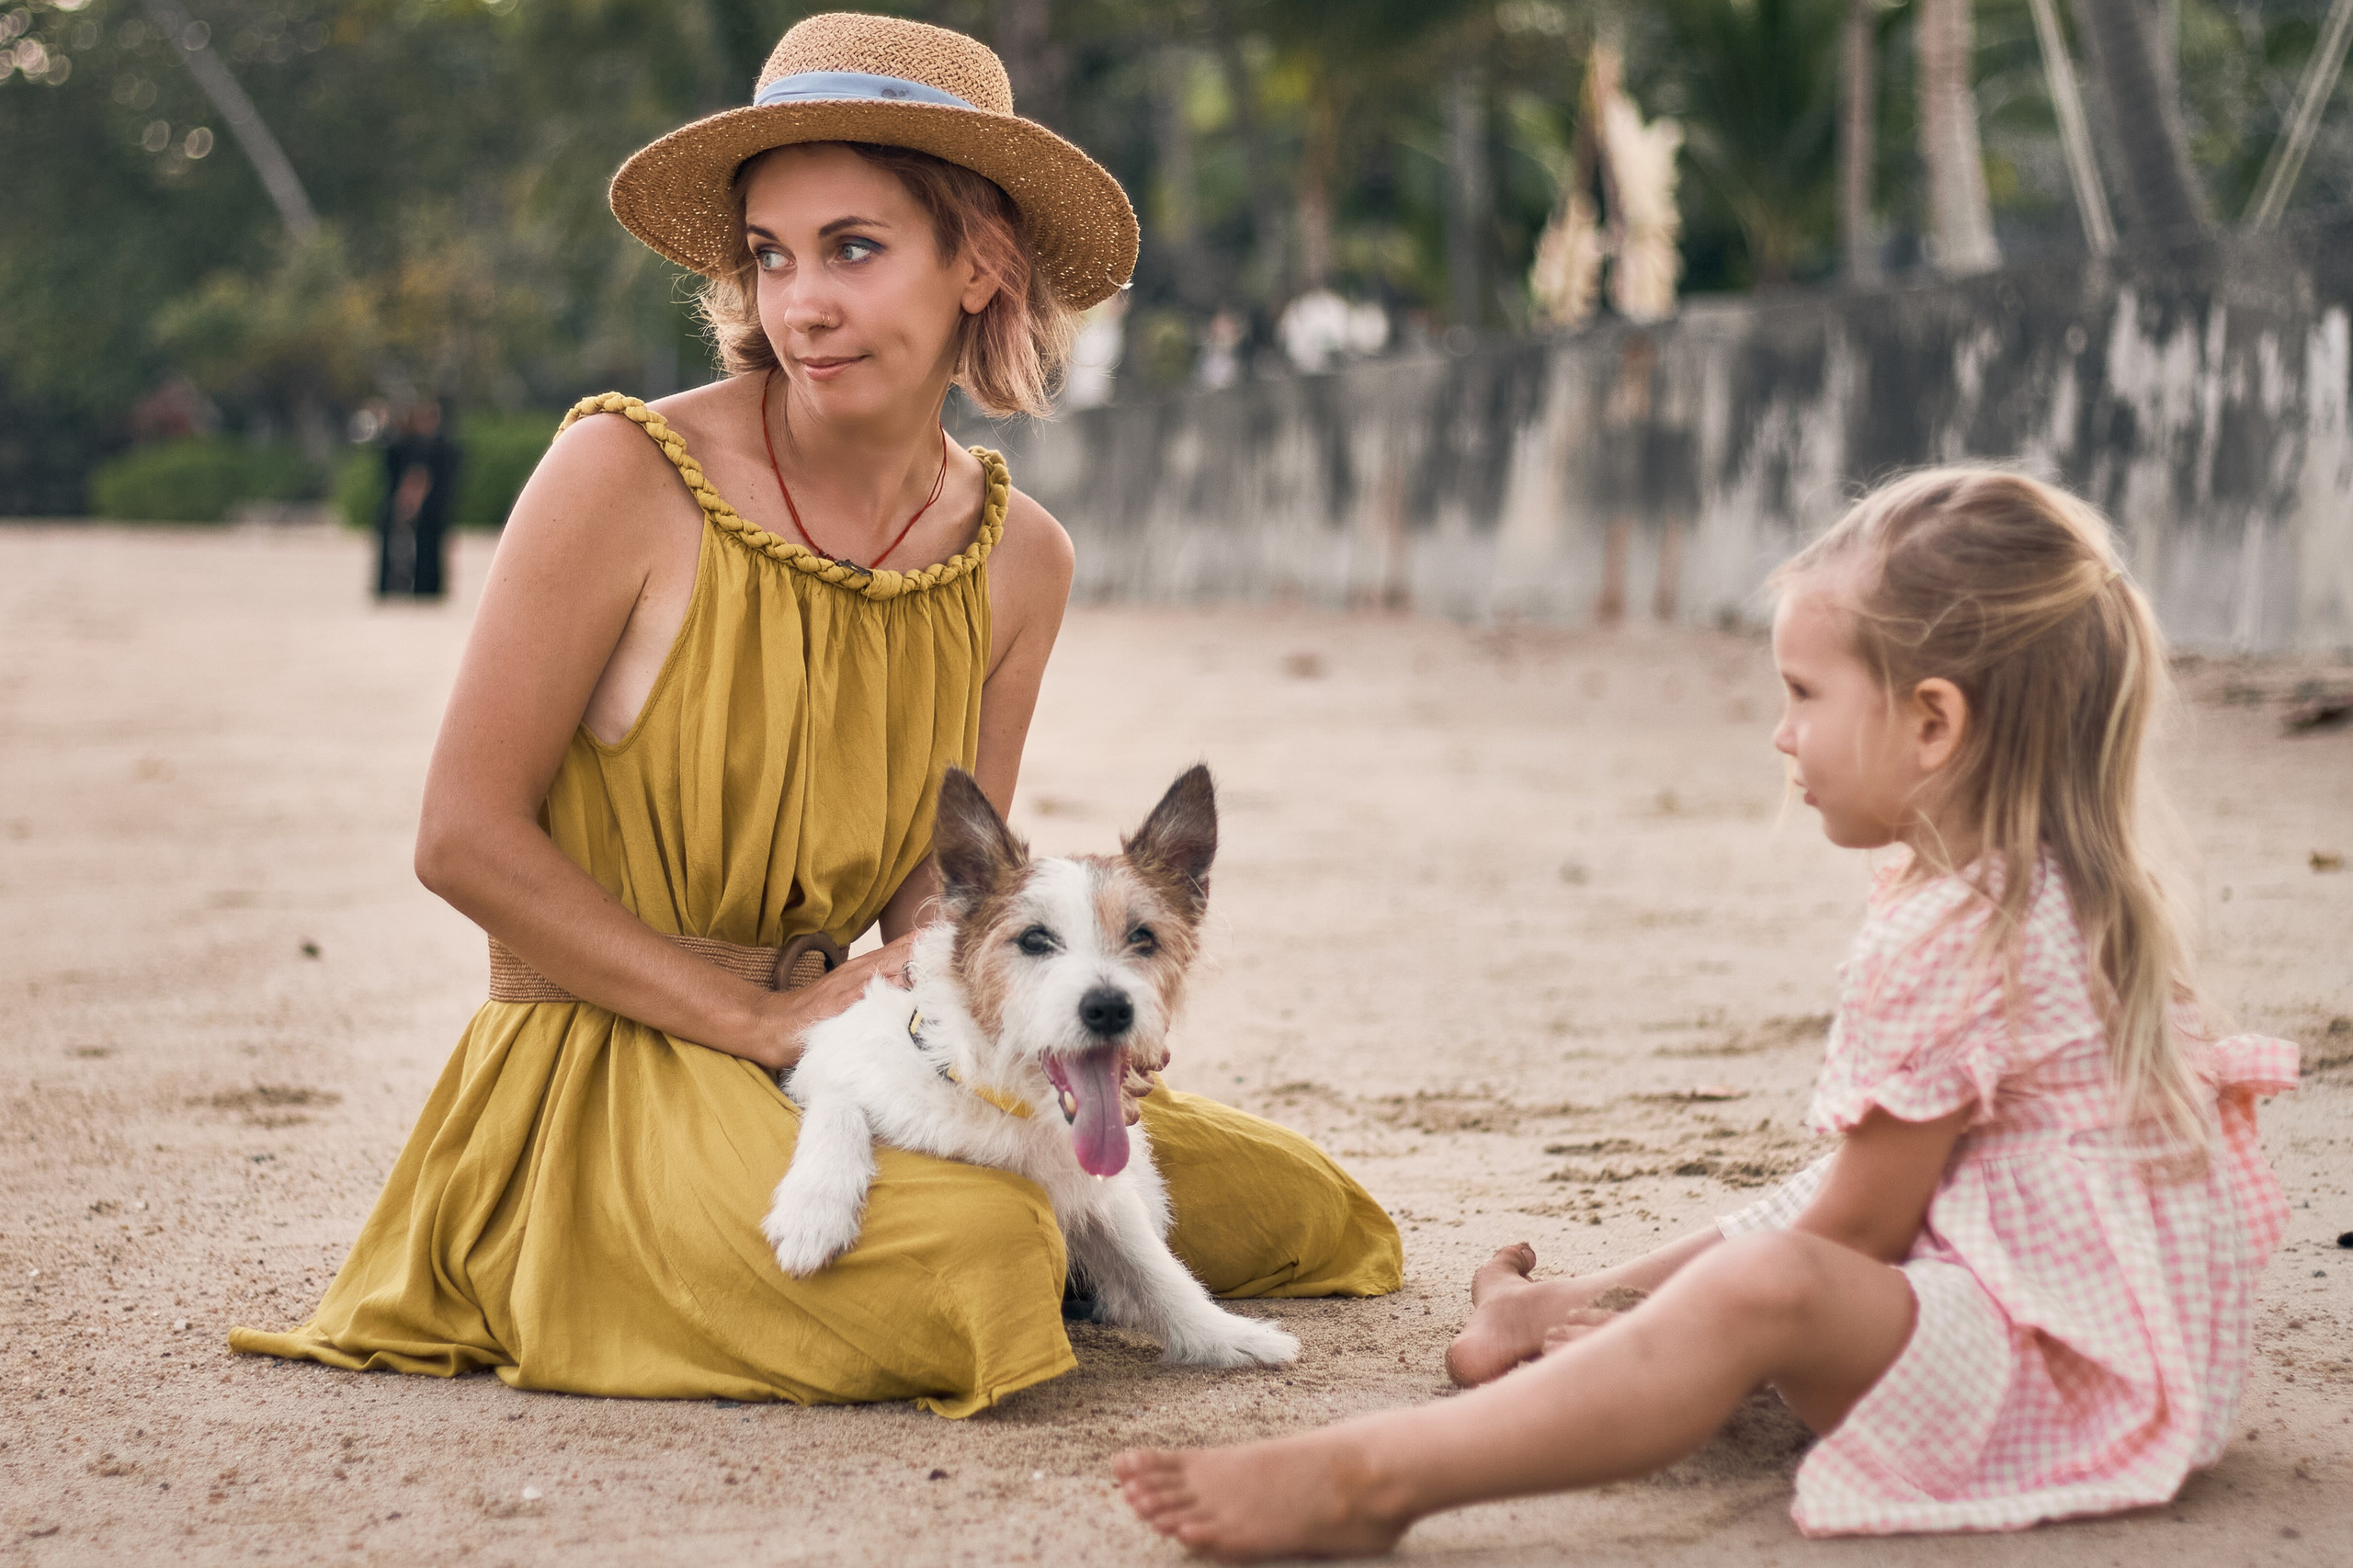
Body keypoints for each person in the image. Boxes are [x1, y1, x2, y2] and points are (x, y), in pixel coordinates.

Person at [233, 13, 1398, 1413]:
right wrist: (749, 1017)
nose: (801, 304)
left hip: (863, 1042)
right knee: (984, 1254)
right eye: (771, 256)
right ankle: (888, 1252)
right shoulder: (621, 472)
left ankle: (1022, 1229)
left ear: (984, 260)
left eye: (853, 247)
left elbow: (938, 904)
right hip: (609, 1060)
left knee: (1299, 1207)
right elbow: (460, 838)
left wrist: (1045, 1033)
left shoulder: (1021, 556)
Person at [1118, 468, 2298, 1556]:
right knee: (1803, 1200)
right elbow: (1880, 1193)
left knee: (1769, 1277)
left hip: (2049, 1378)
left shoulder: (1954, 926)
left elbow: (1851, 1237)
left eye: (1803, 693)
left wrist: (1675, 1333)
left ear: (1933, 723)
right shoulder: (2053, 877)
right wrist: (1635, 1310)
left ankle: (1375, 1477)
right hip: (2126, 1348)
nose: (1782, 732)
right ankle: (1553, 1306)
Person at [372, 399, 459, 598]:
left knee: (429, 547)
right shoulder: (410, 443)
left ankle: (425, 587)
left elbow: (419, 477)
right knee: (423, 547)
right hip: (432, 503)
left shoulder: (433, 446)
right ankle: (422, 587)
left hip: (434, 504)